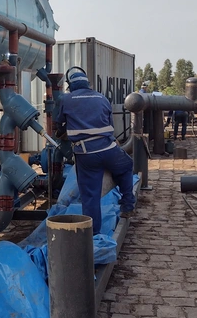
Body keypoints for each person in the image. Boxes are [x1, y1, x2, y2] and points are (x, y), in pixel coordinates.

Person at [54, 68, 136, 234]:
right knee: (126, 166)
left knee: (90, 195)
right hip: (108, 148)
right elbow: (109, 125)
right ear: (88, 84)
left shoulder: (66, 99)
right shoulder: (102, 98)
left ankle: (92, 235)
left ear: (71, 86)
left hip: (86, 154)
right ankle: (127, 204)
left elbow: (59, 125)